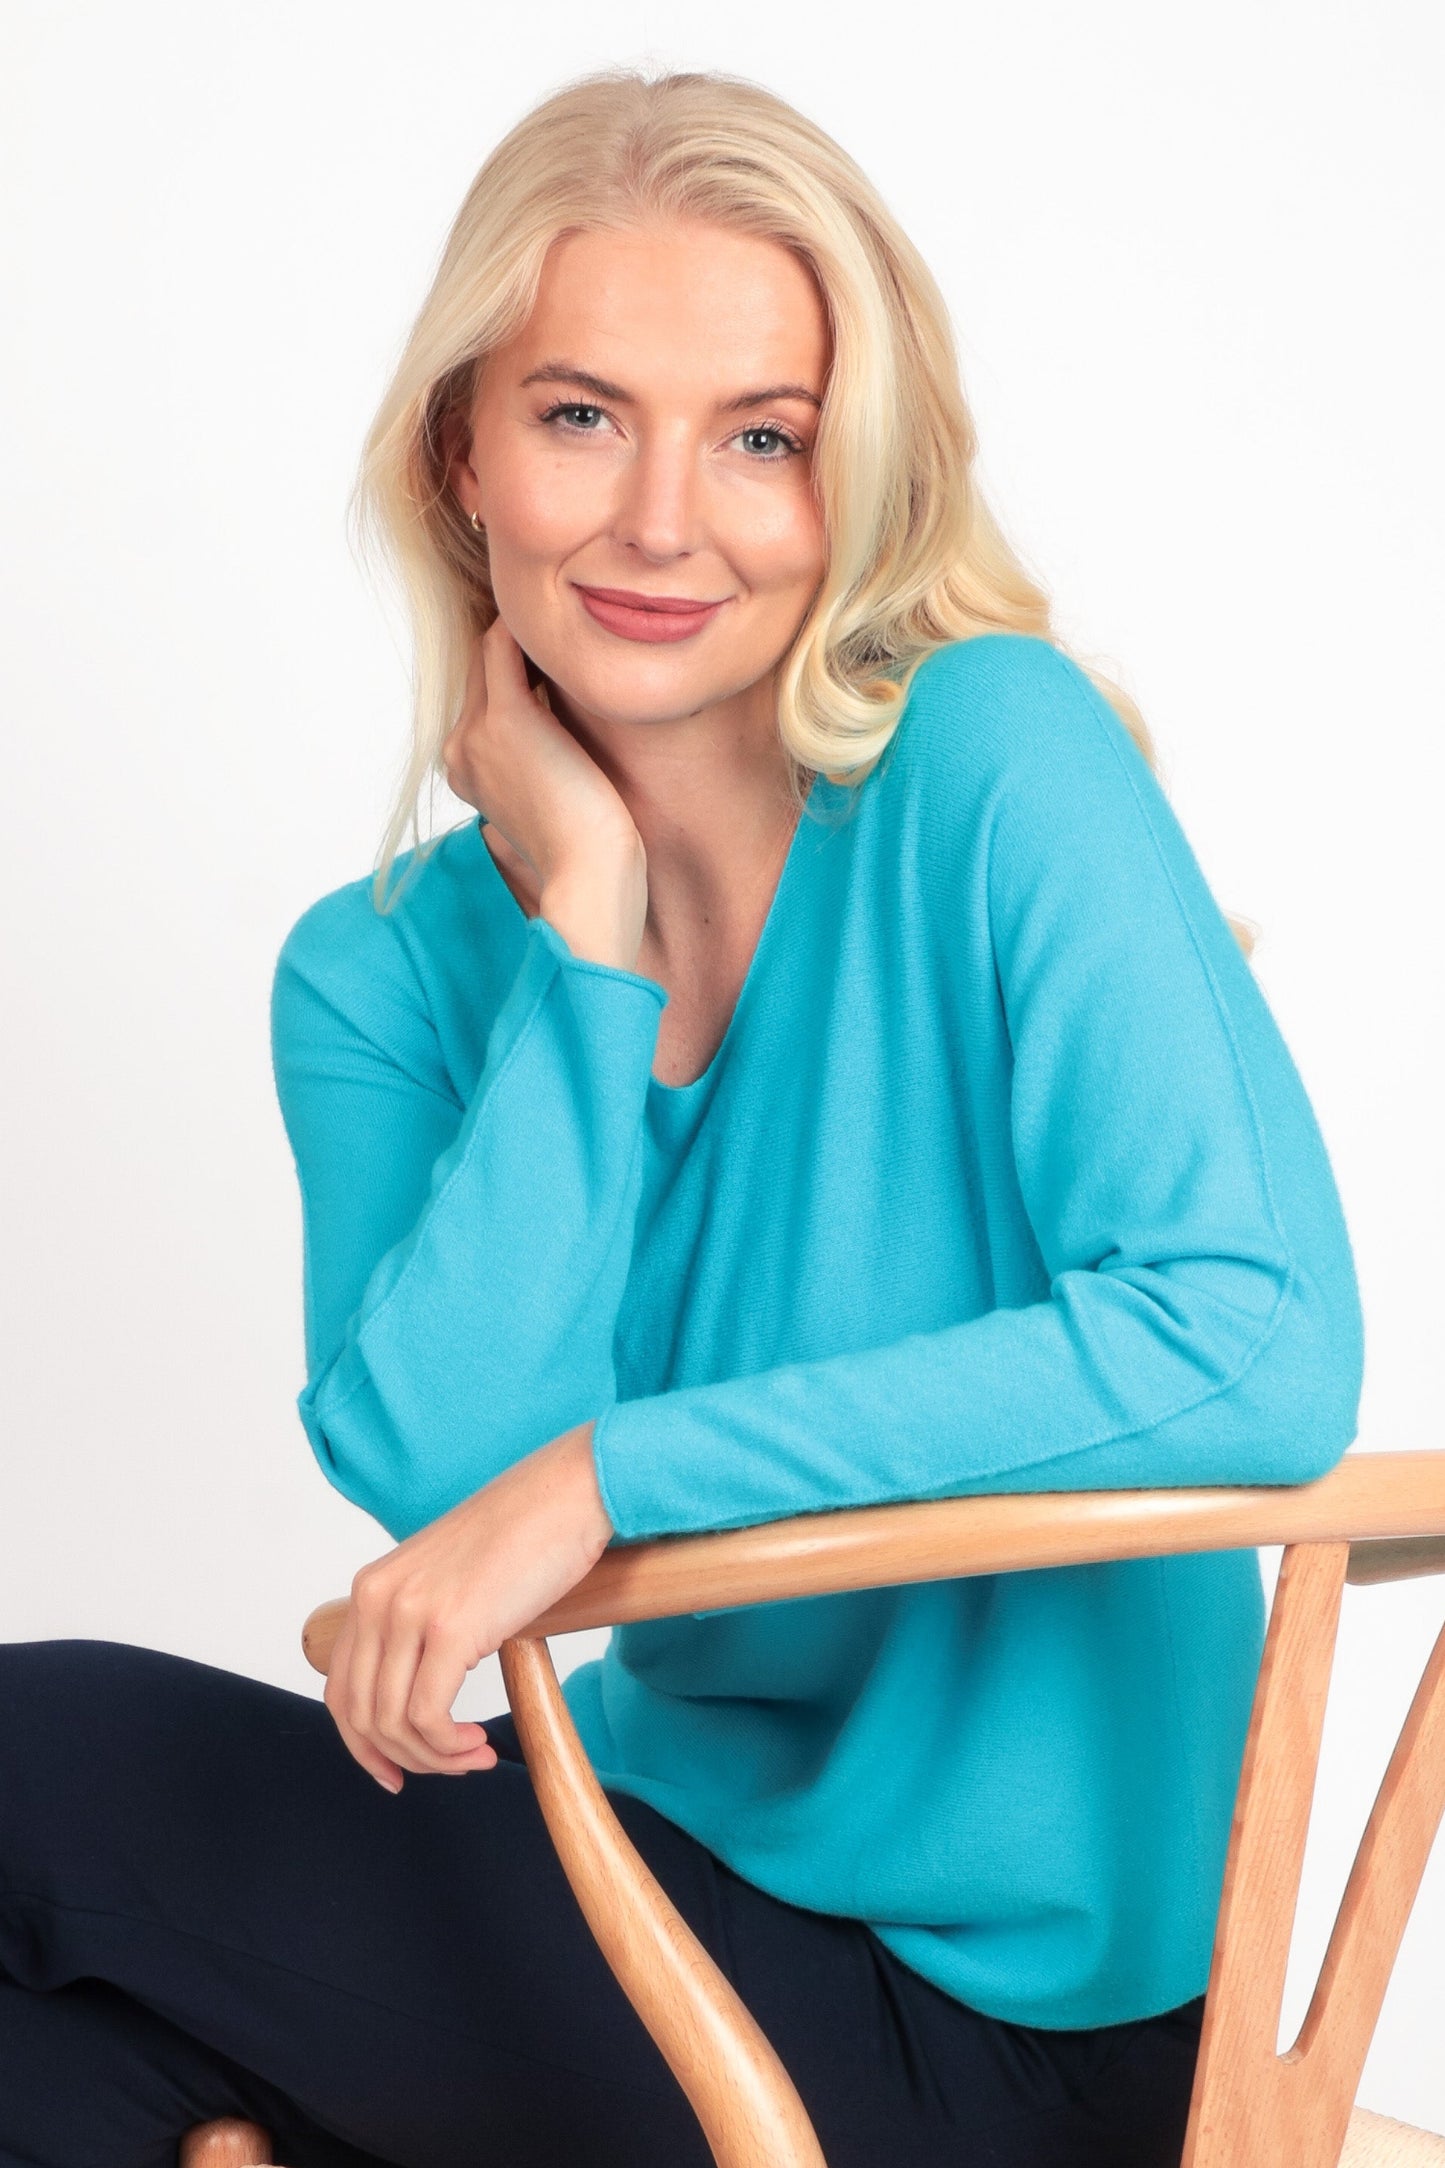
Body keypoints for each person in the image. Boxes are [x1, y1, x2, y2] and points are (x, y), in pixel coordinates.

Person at [0, 65, 1364, 2168]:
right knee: (60, 2059)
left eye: (761, 440)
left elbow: (1257, 1338)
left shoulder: (992, 762)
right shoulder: (374, 976)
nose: (660, 519)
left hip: (1028, 2038)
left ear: (859, 479)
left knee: (27, 1759)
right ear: (465, 450)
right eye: (579, 416)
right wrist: (590, 937)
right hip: (649, 1913)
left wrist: (623, 1470)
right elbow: (457, 1490)